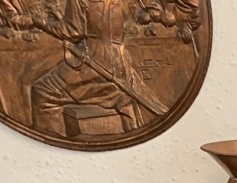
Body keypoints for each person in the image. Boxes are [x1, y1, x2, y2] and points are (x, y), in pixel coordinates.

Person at [28, 0, 164, 136]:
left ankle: (54, 141)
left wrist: (39, 21)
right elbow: (151, 12)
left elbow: (72, 31)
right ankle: (120, 98)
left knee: (42, 91)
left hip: (94, 64)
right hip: (120, 63)